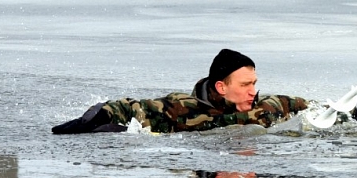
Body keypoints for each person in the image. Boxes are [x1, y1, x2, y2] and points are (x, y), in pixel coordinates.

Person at [52, 49, 310, 134]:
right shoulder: (182, 107)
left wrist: (350, 115)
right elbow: (127, 107)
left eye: (254, 83)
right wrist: (90, 122)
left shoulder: (267, 106)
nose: (253, 91)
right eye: (245, 85)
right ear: (221, 87)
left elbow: (310, 107)